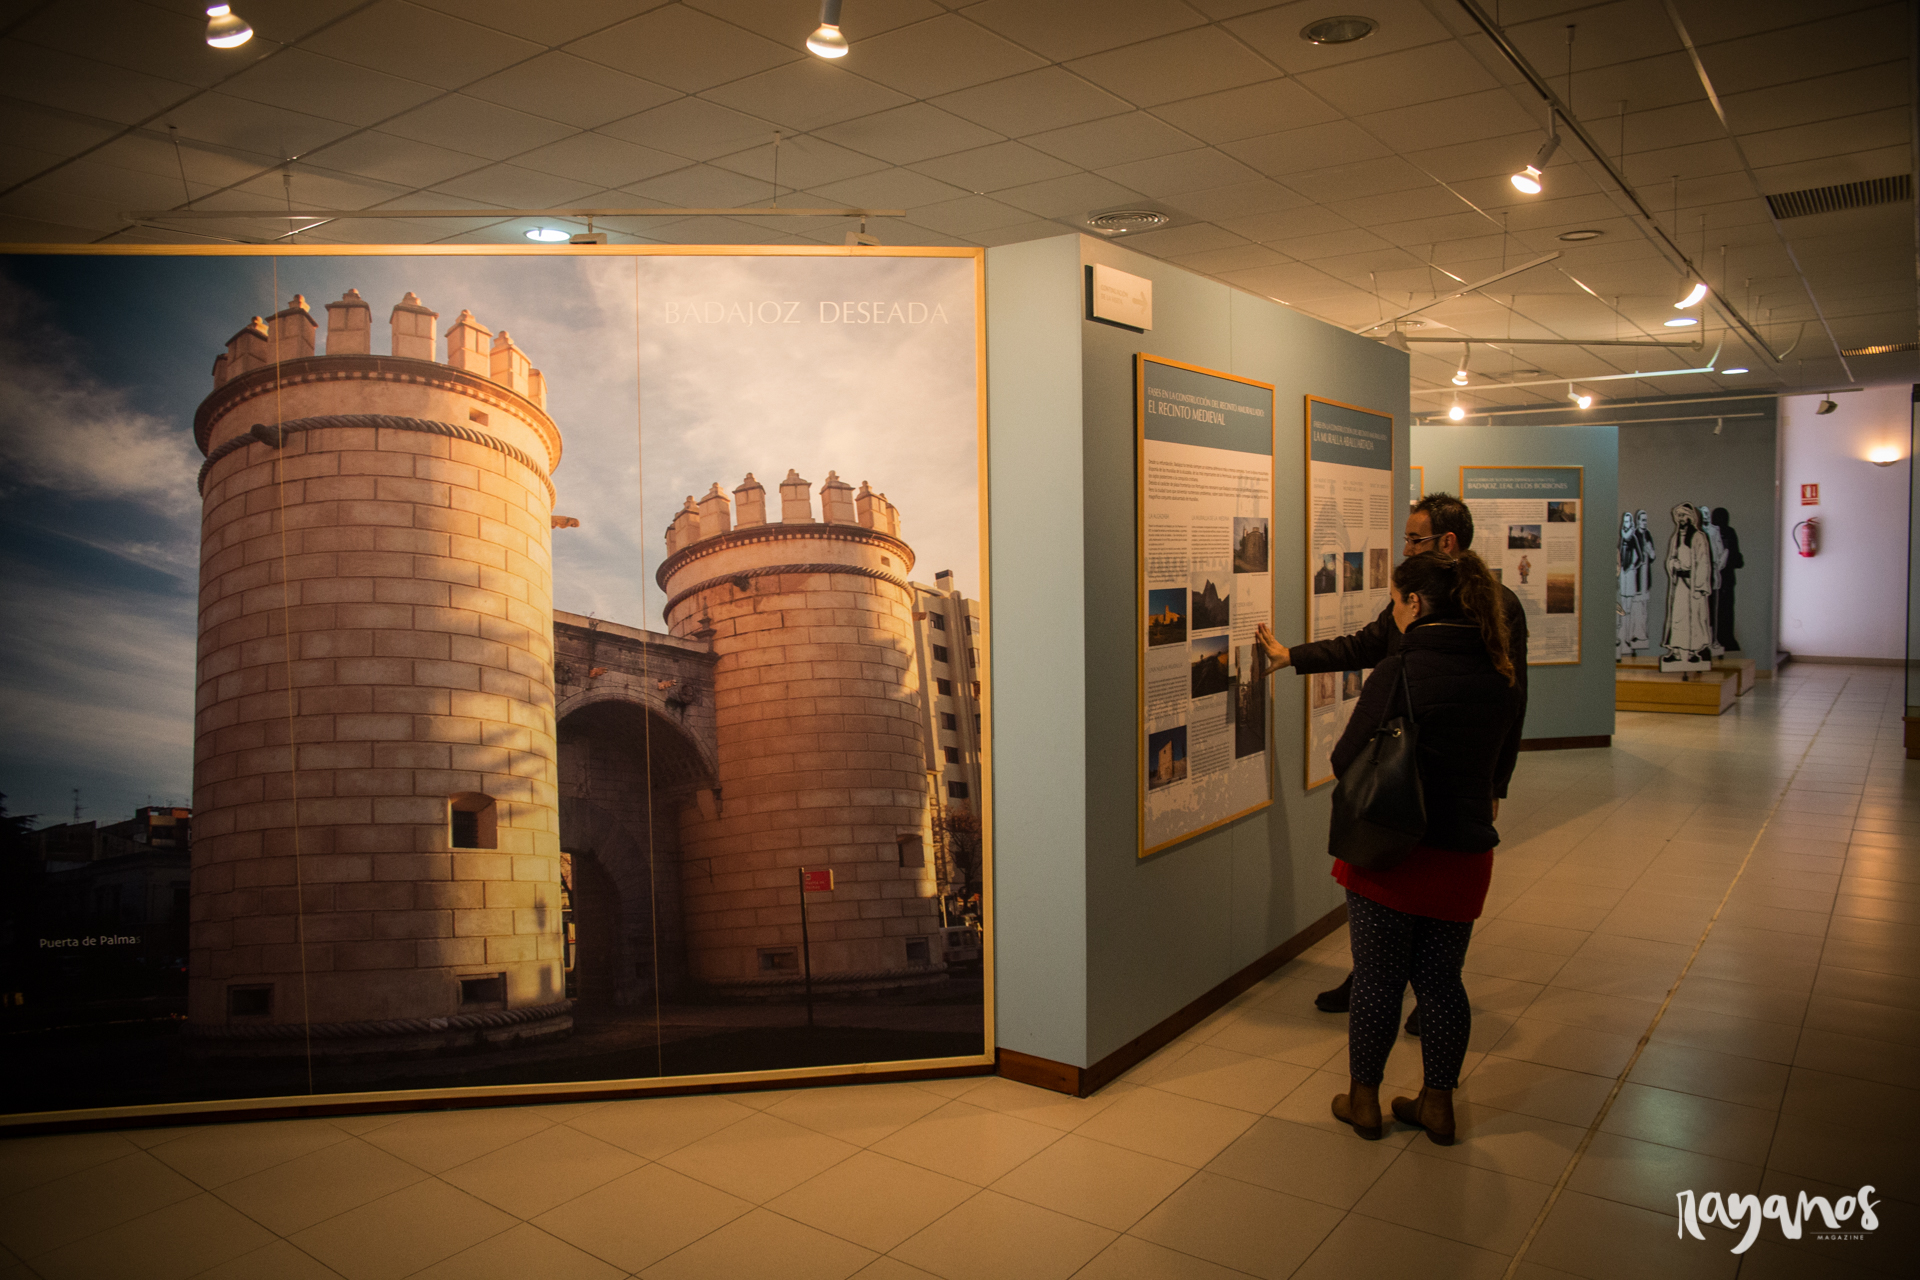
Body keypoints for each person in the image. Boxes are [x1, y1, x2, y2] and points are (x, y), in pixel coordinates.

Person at [1257, 492, 1529, 1027]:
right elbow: (1367, 644)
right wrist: (1293, 657)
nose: (1404, 547)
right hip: (1409, 782)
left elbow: (1513, 701)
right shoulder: (1414, 596)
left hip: (1448, 785)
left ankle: (1416, 995)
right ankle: (1389, 984)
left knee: (1424, 917)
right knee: (1398, 919)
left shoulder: (1496, 606)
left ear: (1446, 541)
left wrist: (1497, 782)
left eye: (1413, 538)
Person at [1325, 550, 1524, 1142]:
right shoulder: (1499, 670)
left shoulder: (1401, 669)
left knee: (1378, 981)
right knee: (1442, 982)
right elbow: (1498, 761)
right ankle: (1438, 1106)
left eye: (1394, 601)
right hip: (1463, 853)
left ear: (1414, 603)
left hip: (1392, 852)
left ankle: (1364, 1101)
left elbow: (1345, 759)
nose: (1392, 611)